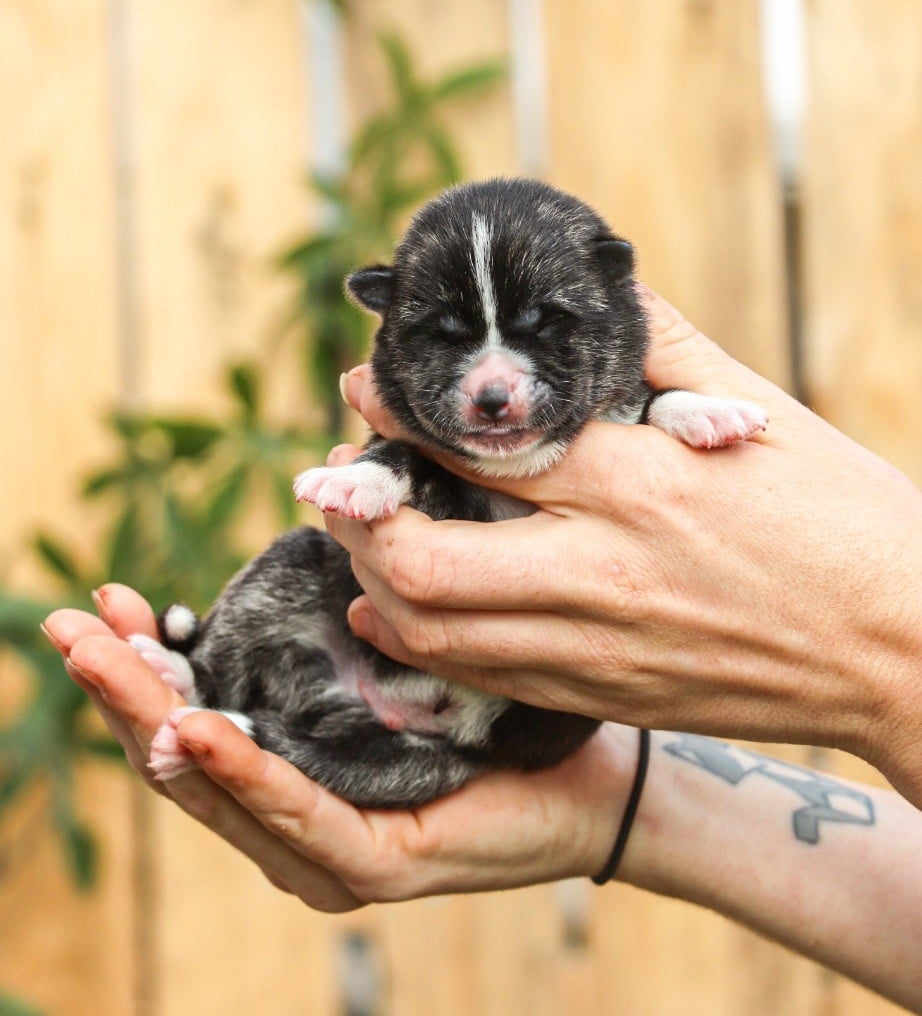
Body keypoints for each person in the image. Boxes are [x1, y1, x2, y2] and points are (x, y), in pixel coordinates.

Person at [43, 289, 922, 1009]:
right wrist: (626, 798)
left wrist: (890, 661)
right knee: (296, 580)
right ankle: (206, 672)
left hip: (465, 724)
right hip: (394, 664)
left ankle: (242, 720)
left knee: (373, 753)